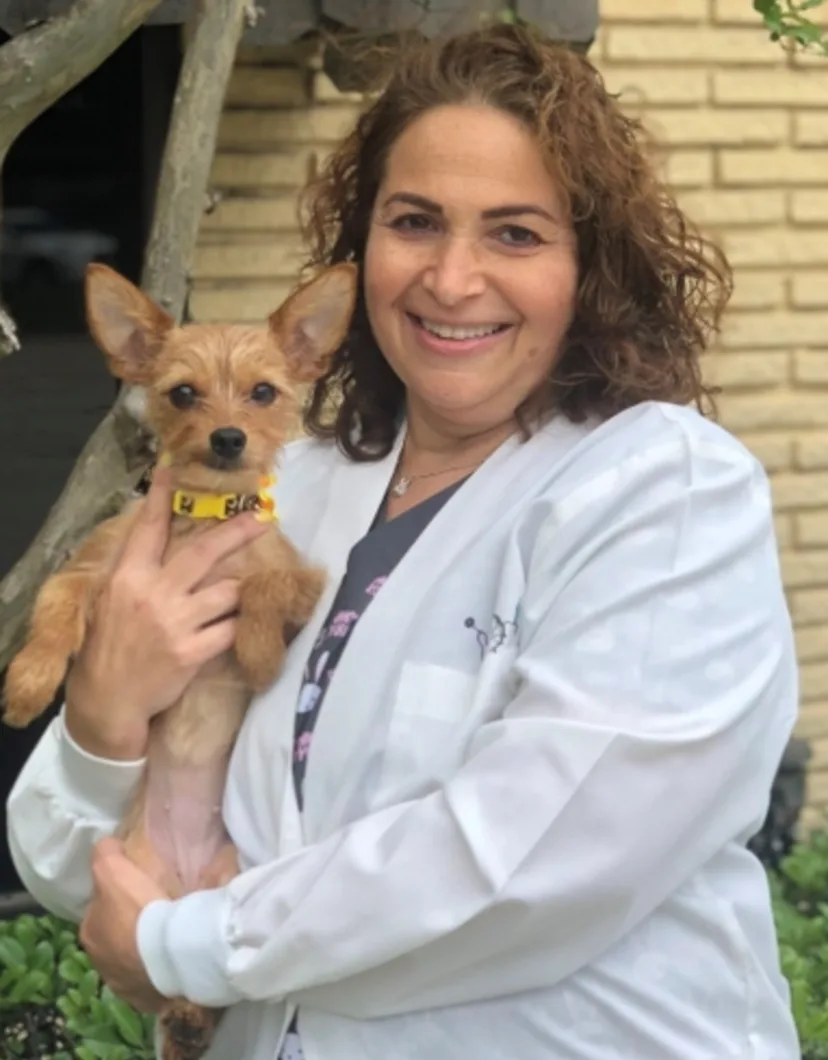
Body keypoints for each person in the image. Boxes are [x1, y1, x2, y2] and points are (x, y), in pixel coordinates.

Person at [7, 22, 800, 1060]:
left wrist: (188, 941)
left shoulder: (662, 492)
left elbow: (533, 862)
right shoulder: (290, 484)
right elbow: (75, 874)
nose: (453, 279)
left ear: (590, 264)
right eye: (414, 220)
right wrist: (104, 716)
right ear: (361, 247)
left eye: (516, 233)